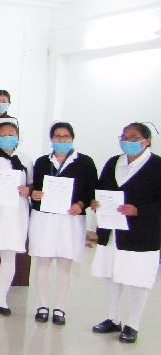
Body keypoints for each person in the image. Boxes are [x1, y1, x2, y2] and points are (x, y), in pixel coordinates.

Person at [90, 123, 161, 344]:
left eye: (133, 137)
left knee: (137, 278)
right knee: (112, 275)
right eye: (124, 136)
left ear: (146, 140)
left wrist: (139, 210)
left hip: (141, 233)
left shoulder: (157, 165)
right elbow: (101, 188)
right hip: (112, 231)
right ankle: (113, 318)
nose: (127, 141)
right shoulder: (114, 162)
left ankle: (133, 324)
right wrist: (96, 202)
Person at [28, 122, 97, 325]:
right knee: (42, 264)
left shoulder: (84, 162)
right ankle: (42, 305)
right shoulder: (42, 162)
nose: (61, 139)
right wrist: (35, 194)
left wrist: (81, 204)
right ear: (51, 139)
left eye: (65, 136)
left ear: (72, 138)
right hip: (44, 218)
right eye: (57, 136)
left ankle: (59, 308)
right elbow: (34, 189)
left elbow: (91, 190)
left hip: (70, 219)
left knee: (64, 266)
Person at [0, 122, 33, 315]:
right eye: (3, 134)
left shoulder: (26, 159)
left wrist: (29, 191)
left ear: (18, 136)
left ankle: (2, 298)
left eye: (12, 134)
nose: (8, 137)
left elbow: (33, 185)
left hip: (16, 213)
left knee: (9, 255)